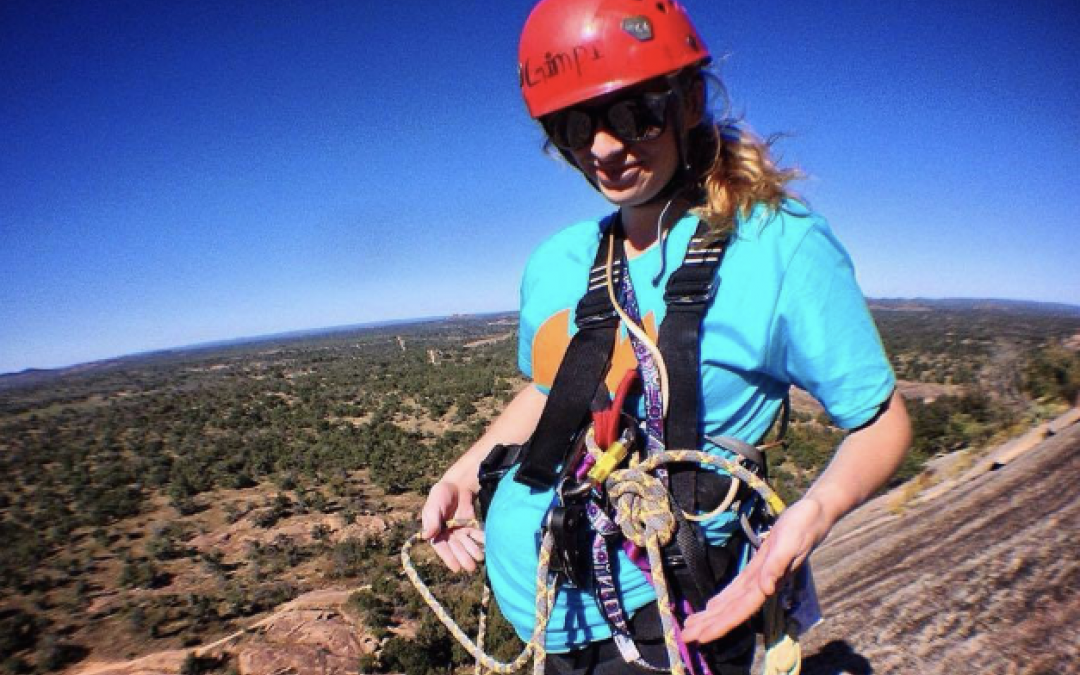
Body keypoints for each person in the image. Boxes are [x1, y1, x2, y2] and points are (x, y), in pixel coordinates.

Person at [421, 1, 912, 674]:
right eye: (573, 127)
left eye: (632, 112)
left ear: (689, 100)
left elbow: (881, 423)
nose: (602, 147)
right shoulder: (556, 263)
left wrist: (812, 514)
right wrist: (463, 473)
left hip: (673, 621)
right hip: (550, 615)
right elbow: (549, 392)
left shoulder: (778, 246)